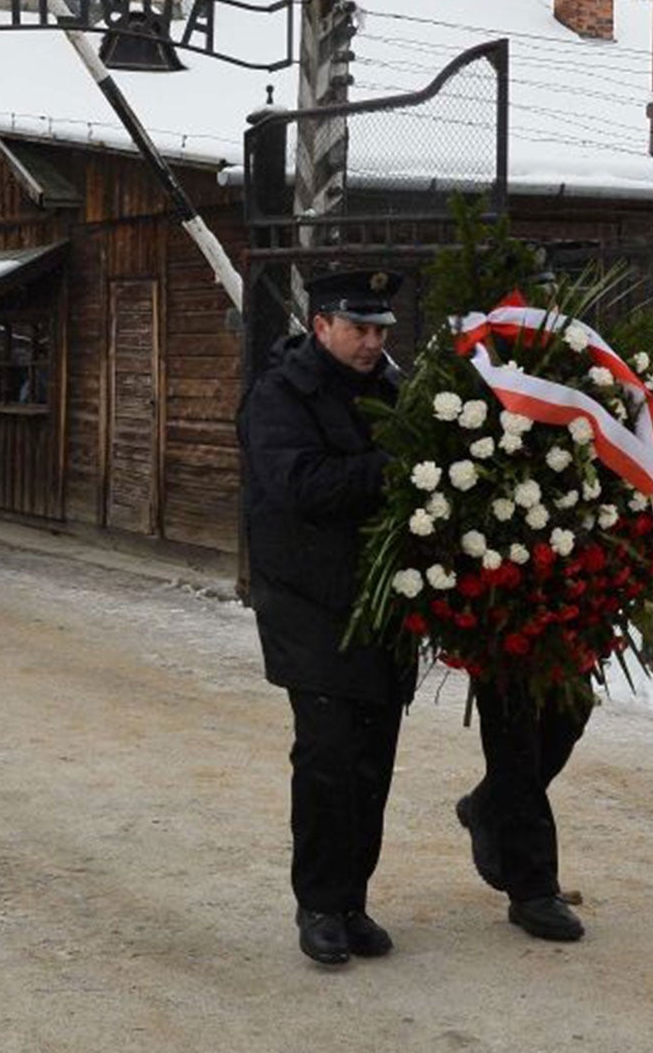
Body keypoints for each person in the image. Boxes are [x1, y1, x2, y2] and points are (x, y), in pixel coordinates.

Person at [238, 268, 413, 967]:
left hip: (380, 604)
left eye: (380, 331)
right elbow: (300, 485)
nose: (372, 342)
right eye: (358, 328)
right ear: (321, 326)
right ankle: (317, 904)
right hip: (308, 604)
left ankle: (353, 901)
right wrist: (390, 467)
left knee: (372, 762)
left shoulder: (393, 393)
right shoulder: (280, 396)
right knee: (328, 758)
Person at [455, 682, 593, 941]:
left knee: (569, 715)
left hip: (565, 645)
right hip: (499, 653)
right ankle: (532, 888)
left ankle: (487, 805)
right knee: (514, 730)